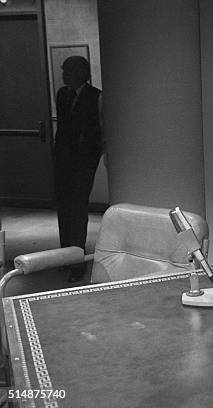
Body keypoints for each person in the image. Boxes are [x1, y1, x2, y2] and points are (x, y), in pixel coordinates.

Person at [54, 56, 103, 283]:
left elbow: (99, 130)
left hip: (84, 160)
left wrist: (95, 153)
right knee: (64, 208)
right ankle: (64, 256)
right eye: (64, 70)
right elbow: (63, 128)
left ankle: (77, 260)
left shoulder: (96, 96)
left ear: (83, 72)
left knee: (77, 208)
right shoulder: (62, 95)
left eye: (70, 70)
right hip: (63, 159)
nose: (65, 75)